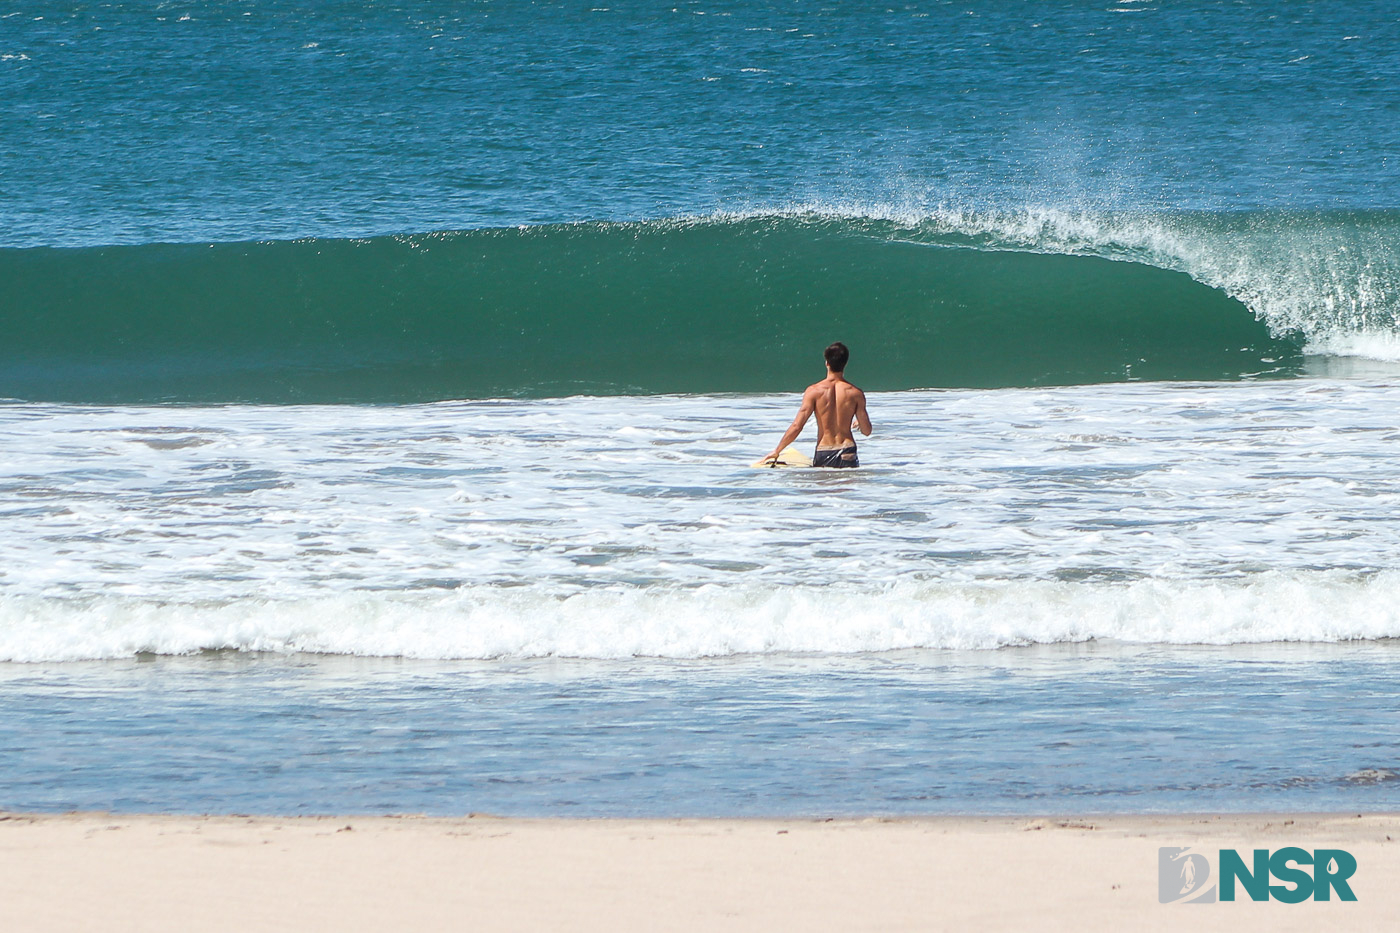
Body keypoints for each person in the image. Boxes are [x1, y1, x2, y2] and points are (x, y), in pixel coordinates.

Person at [765, 341, 872, 468]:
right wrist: (860, 423)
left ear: (827, 363)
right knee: (847, 486)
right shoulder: (855, 393)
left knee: (824, 487)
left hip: (824, 451)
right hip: (847, 451)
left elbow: (797, 426)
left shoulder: (814, 391)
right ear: (845, 364)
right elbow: (867, 431)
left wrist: (777, 450)